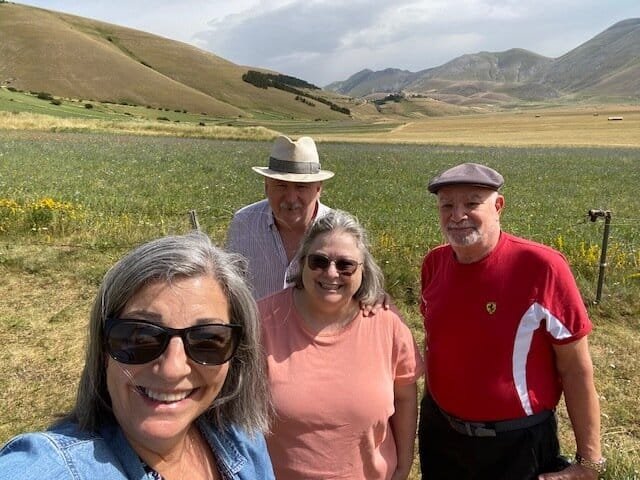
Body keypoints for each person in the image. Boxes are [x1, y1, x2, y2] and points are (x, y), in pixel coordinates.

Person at [0, 232, 274, 479]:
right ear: (104, 348)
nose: (172, 369)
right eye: (141, 337)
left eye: (207, 340)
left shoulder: (242, 438)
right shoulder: (53, 467)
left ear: (236, 356)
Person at [418, 163, 604, 479]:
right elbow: (435, 342)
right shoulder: (434, 263)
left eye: (472, 203)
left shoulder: (542, 267)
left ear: (499, 206)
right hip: (441, 434)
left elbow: (575, 368)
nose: (457, 214)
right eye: (447, 205)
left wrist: (589, 462)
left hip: (515, 445)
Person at [259, 209, 423, 480]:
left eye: (345, 264)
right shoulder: (263, 321)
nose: (331, 273)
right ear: (301, 263)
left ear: (363, 269)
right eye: (319, 261)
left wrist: (403, 466)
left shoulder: (388, 323)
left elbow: (405, 397)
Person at [226, 134, 334, 300]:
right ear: (266, 187)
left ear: (318, 189)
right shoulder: (244, 222)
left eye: (301, 187)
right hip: (257, 326)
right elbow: (229, 287)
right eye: (281, 186)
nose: (291, 198)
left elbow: (362, 290)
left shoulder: (340, 230)